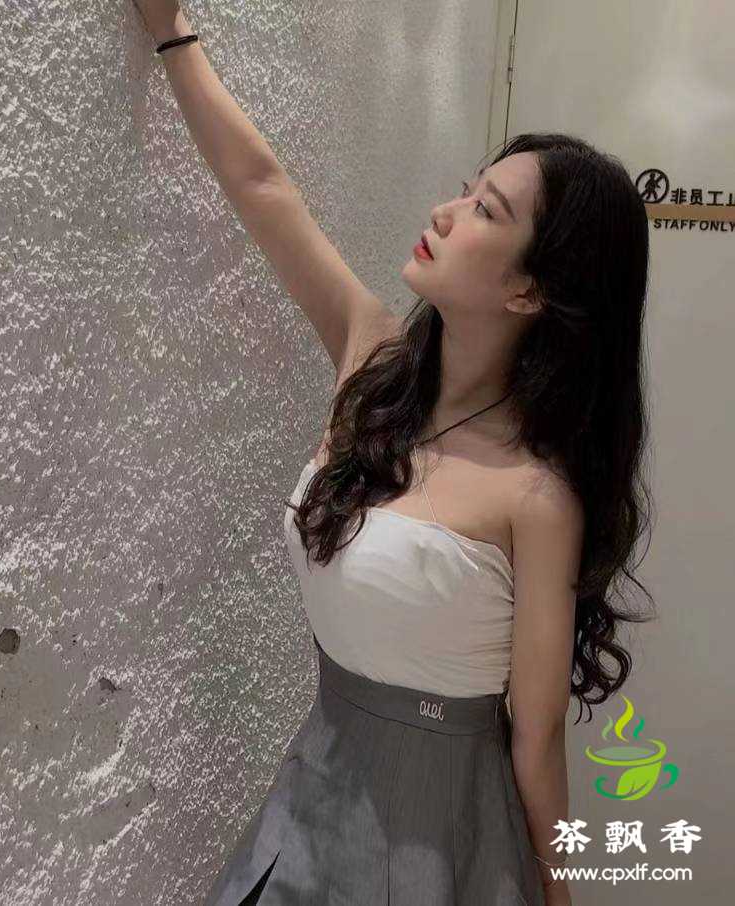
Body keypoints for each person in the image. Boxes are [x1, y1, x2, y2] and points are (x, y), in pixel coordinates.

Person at [130, 3, 655, 904]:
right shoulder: (371, 364)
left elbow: (536, 742)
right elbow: (263, 188)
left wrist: (559, 895)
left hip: (443, 840)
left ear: (531, 290)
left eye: (485, 210)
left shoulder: (535, 496)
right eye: (466, 188)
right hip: (313, 787)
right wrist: (171, 31)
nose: (446, 213)